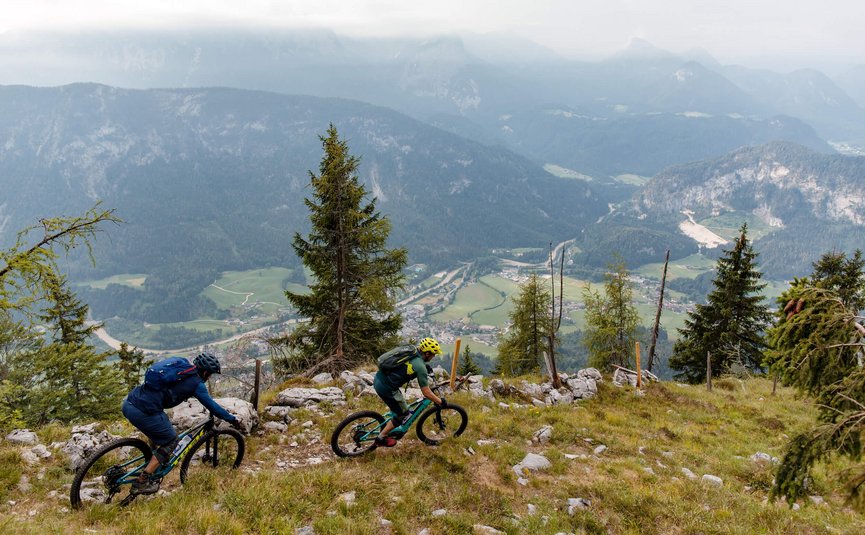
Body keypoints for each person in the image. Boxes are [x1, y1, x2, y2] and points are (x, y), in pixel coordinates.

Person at [121, 352, 241, 495]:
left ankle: (155, 461)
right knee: (172, 440)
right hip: (144, 412)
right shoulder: (197, 384)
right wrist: (233, 419)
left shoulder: (180, 364)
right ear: (204, 372)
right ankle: (142, 481)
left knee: (161, 428)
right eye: (209, 374)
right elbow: (214, 407)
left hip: (129, 403)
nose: (209, 377)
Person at [373, 337, 447, 447]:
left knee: (397, 405)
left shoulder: (412, 351)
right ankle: (381, 438)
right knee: (403, 414)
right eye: (433, 354)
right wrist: (440, 401)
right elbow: (426, 392)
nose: (434, 356)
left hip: (379, 378)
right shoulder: (420, 367)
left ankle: (391, 424)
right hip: (387, 388)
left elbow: (408, 364)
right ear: (427, 353)